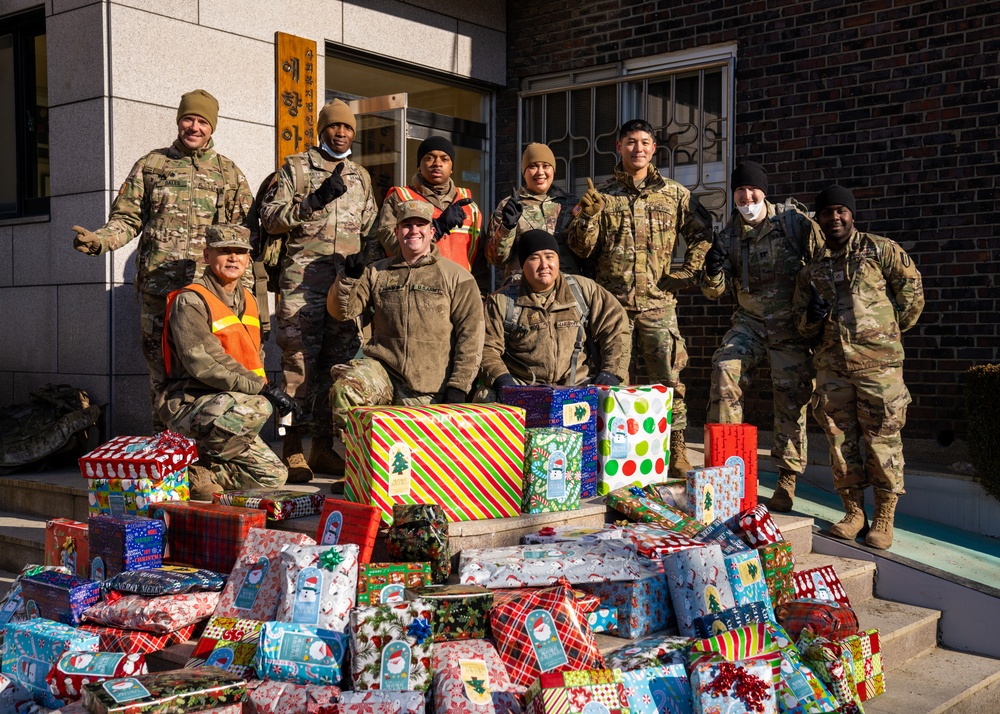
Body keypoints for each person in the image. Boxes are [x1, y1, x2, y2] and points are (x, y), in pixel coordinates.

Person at [71, 89, 253, 430]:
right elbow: (127, 220)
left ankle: (200, 453)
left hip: (206, 296)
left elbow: (240, 240)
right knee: (160, 371)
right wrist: (100, 241)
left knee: (208, 370)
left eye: (202, 121)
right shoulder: (152, 165)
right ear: (179, 120)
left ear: (212, 127)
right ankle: (164, 449)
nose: (194, 127)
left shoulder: (228, 174)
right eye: (189, 119)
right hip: (159, 292)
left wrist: (245, 294)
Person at [565, 119, 713, 478]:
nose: (638, 149)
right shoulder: (603, 194)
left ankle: (676, 449)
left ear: (654, 149)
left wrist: (689, 271)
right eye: (630, 142)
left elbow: (703, 235)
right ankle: (620, 450)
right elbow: (580, 248)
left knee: (669, 379)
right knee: (614, 379)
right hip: (612, 308)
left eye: (645, 142)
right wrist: (588, 217)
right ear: (618, 147)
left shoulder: (676, 195)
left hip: (658, 303)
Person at [794, 185, 924, 550]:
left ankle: (884, 516)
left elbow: (911, 294)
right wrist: (812, 318)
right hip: (833, 369)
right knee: (839, 442)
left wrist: (887, 332)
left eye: (840, 211)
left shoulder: (880, 250)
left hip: (878, 368)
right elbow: (800, 323)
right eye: (826, 213)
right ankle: (853, 512)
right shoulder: (813, 270)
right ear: (818, 220)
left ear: (851, 214)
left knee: (882, 439)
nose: (834, 218)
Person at [259, 99, 377, 482]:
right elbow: (271, 218)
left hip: (345, 289)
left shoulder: (361, 176)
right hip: (302, 285)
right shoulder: (296, 167)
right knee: (298, 370)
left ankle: (323, 448)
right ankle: (291, 447)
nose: (340, 133)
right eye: (333, 127)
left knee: (334, 368)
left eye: (347, 128)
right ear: (321, 130)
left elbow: (371, 229)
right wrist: (314, 200)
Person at [701, 161, 825, 511]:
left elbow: (823, 261)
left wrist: (819, 305)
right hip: (751, 322)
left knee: (792, 395)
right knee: (725, 369)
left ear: (764, 191)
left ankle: (787, 477)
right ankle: (728, 467)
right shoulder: (728, 235)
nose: (746, 196)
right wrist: (711, 271)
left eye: (752, 190)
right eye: (740, 191)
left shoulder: (793, 223)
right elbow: (715, 292)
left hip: (791, 324)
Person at [161, 226, 299, 500]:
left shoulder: (248, 298)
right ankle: (191, 456)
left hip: (232, 408)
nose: (233, 258)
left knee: (274, 476)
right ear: (207, 255)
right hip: (191, 405)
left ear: (248, 258)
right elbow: (203, 363)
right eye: (225, 251)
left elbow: (253, 356)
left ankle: (201, 470)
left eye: (240, 252)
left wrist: (262, 388)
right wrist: (261, 388)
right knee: (260, 405)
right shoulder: (190, 300)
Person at [327, 200, 484, 430]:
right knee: (346, 390)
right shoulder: (376, 272)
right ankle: (358, 461)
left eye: (420, 225)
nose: (413, 231)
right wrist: (347, 277)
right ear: (396, 232)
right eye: (406, 225)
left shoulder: (457, 277)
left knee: (420, 454)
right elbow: (341, 311)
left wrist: (458, 387)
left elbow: (471, 337)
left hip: (428, 386)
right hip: (384, 374)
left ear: (431, 231)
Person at [479, 230, 631, 399]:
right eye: (534, 258)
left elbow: (616, 328)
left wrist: (611, 372)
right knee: (485, 396)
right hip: (524, 388)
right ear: (523, 264)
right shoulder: (501, 301)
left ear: (558, 260)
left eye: (549, 256)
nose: (544, 264)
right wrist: (502, 379)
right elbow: (487, 347)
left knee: (618, 395)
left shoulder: (583, 291)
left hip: (578, 386)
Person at [374, 136, 487, 292]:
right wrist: (437, 228)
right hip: (414, 290)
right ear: (419, 165)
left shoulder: (470, 207)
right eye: (429, 158)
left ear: (452, 167)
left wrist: (480, 295)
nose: (437, 164)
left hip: (461, 291)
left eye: (444, 159)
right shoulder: (399, 198)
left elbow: (480, 261)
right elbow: (390, 245)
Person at [485, 143, 583, 281]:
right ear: (524, 171)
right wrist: (507, 228)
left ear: (553, 170)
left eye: (546, 166)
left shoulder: (571, 203)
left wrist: (589, 217)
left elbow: (585, 252)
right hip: (523, 289)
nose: (540, 172)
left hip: (567, 288)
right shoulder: (509, 206)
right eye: (533, 166)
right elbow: (495, 258)